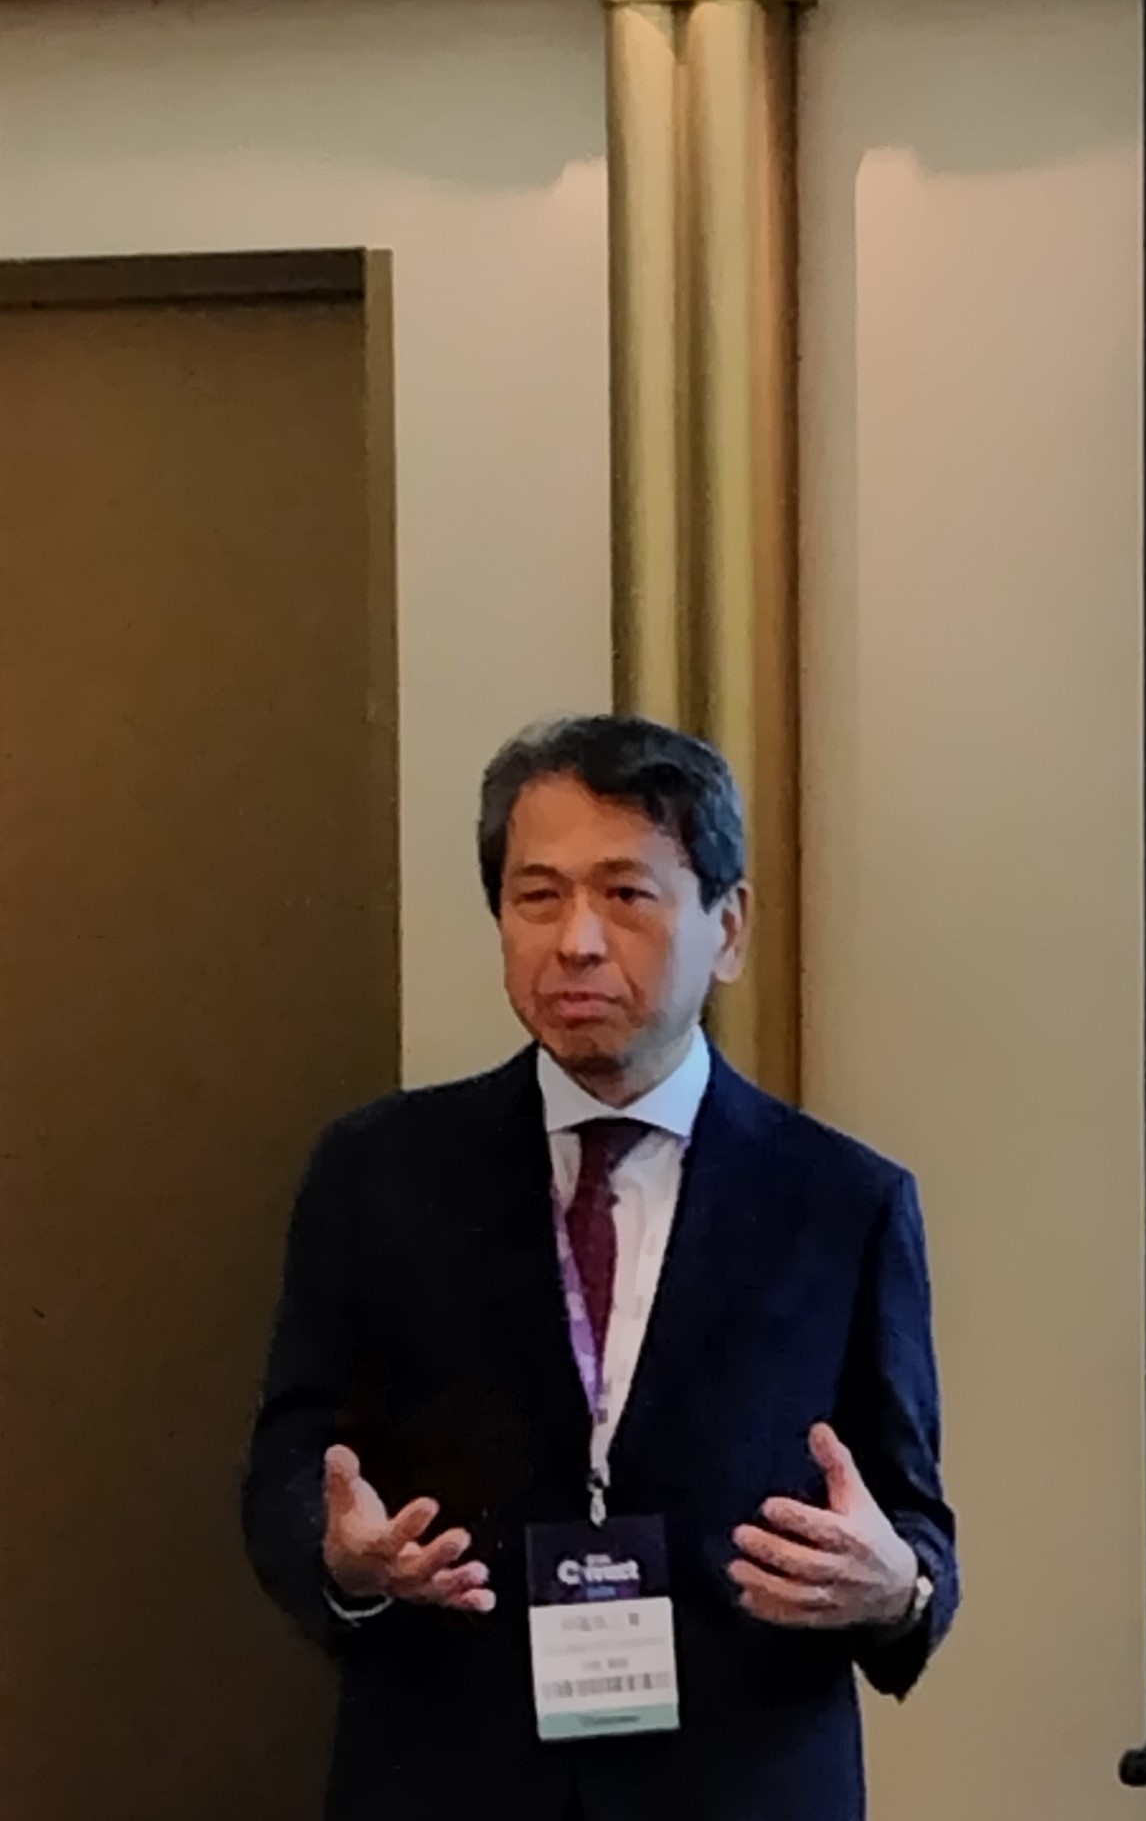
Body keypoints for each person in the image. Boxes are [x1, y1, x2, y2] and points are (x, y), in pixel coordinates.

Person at [244, 715, 957, 1821]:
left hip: (739, 1785)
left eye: (626, 894)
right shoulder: (378, 1173)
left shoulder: (842, 1202)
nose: (577, 940)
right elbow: (291, 1456)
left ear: (728, 927)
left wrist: (894, 1588)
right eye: (537, 896)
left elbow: (912, 1524)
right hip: (447, 1778)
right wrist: (341, 1556)